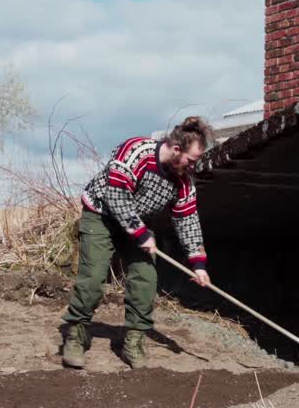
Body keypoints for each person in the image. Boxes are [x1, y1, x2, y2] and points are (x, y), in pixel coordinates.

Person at [60, 116, 213, 369]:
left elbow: (187, 219)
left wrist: (198, 263)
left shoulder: (184, 179)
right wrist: (141, 234)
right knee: (93, 278)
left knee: (145, 278)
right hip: (101, 214)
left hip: (137, 223)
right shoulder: (135, 151)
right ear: (176, 149)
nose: (192, 167)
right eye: (191, 160)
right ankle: (76, 333)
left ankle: (134, 339)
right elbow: (116, 195)